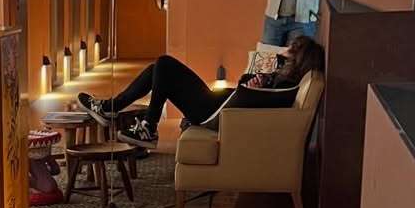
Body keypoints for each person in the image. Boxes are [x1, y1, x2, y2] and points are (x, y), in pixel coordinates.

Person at [77, 33, 325, 146]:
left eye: (289, 50)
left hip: (212, 113)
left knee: (164, 63)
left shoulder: (285, 86)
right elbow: (245, 81)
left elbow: (256, 101)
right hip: (214, 104)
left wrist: (253, 89)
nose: (284, 51)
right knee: (157, 69)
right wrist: (253, 83)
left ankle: (147, 127)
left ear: (298, 57)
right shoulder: (283, 78)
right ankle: (111, 108)